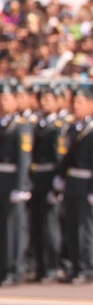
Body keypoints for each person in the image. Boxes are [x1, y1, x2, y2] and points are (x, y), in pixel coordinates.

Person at [56, 87, 93, 285]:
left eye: (80, 103)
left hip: (87, 184)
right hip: (73, 183)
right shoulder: (71, 128)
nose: (75, 106)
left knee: (87, 229)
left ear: (91, 105)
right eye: (74, 103)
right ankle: (76, 265)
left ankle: (87, 267)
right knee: (72, 227)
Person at [29, 87, 68, 282]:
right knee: (36, 226)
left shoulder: (58, 126)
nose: (44, 102)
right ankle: (41, 267)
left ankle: (53, 266)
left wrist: (57, 184)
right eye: (41, 99)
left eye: (48, 99)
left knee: (50, 227)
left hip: (50, 178)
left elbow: (60, 158)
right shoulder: (37, 125)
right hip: (36, 180)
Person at [0, 83, 31, 285]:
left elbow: (24, 158)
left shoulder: (21, 125)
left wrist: (21, 186)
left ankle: (14, 268)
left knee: (13, 229)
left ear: (15, 102)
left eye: (6, 99)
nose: (2, 103)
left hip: (12, 182)